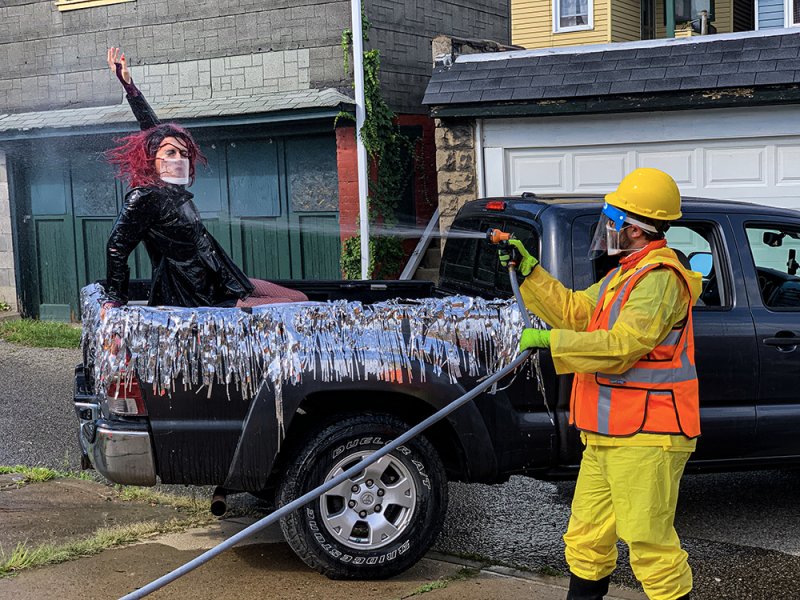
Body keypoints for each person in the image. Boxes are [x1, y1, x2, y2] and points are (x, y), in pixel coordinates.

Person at [500, 168, 701, 600]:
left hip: (649, 436)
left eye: (613, 221)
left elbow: (624, 345)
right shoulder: (623, 275)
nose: (606, 228)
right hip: (608, 434)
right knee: (587, 539)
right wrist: (532, 273)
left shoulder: (660, 279)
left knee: (649, 546)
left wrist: (550, 343)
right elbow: (576, 312)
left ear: (635, 228)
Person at [102, 47, 307, 311]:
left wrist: (131, 88)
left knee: (300, 298)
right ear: (152, 157)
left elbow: (156, 131)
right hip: (194, 293)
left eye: (184, 153)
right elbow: (116, 247)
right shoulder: (145, 196)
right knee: (294, 309)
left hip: (221, 276)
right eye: (170, 152)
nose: (178, 158)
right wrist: (115, 298)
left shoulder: (173, 189)